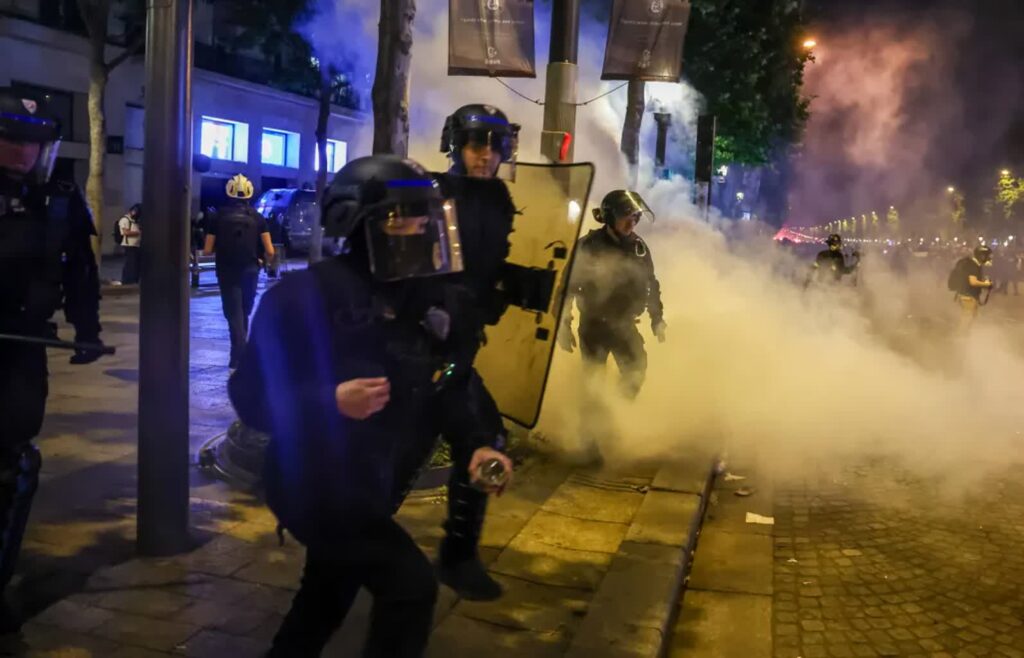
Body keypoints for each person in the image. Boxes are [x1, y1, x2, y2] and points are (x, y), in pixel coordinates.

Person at [228, 155, 513, 657]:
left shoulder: (426, 300)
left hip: (368, 480)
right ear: (358, 221)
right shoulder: (303, 298)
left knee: (326, 594)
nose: (420, 229)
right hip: (310, 482)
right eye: (405, 218)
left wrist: (476, 445)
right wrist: (328, 401)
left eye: (426, 218)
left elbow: (449, 384)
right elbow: (250, 396)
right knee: (409, 587)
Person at [0, 88, 105, 632]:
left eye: (32, 142)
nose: (23, 151)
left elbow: (80, 271)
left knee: (14, 461)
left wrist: (87, 330)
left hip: (23, 344)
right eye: (11, 139)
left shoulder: (61, 197)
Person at [431, 103, 519, 601]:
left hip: (460, 344)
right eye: (475, 144)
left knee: (484, 436)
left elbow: (488, 264)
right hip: (424, 346)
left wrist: (511, 285)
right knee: (401, 454)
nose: (485, 155)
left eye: (494, 145)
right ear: (455, 146)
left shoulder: (500, 198)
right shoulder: (432, 192)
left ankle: (458, 555)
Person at [559, 190, 666, 398]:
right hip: (594, 326)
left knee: (636, 369)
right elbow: (567, 287)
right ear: (610, 217)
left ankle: (619, 408)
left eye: (636, 217)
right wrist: (563, 325)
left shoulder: (639, 248)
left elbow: (651, 283)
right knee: (593, 380)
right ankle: (591, 415)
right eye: (626, 216)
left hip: (625, 324)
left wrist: (657, 318)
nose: (632, 223)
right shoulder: (588, 246)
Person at [203, 174, 274, 368]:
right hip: (251, 270)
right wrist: (261, 260)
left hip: (227, 271)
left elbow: (207, 250)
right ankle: (239, 355)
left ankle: (238, 356)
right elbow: (270, 250)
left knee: (233, 314)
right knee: (244, 313)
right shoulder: (258, 218)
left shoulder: (217, 217)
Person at [949, 245, 994, 333]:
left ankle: (963, 335)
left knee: (969, 318)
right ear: (982, 256)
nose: (989, 258)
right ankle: (960, 337)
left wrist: (984, 282)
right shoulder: (973, 265)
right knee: (966, 319)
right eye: (987, 256)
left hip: (967, 296)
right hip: (968, 297)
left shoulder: (973, 264)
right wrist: (986, 284)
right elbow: (972, 282)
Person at [117, 203, 141, 284]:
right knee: (130, 264)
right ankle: (127, 281)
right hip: (129, 245)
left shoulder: (135, 220)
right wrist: (138, 233)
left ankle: (133, 280)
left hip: (136, 245)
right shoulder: (125, 220)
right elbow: (125, 232)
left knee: (135, 264)